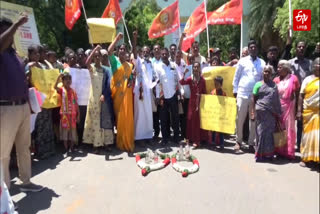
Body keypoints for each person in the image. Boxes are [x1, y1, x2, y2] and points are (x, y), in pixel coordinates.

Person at [0, 16, 44, 192]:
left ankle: (25, 182)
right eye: (6, 30)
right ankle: (4, 194)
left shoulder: (14, 54)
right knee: (3, 153)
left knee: (24, 148)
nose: (11, 35)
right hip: (6, 108)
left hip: (23, 107)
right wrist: (17, 24)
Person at [232, 40, 266, 153]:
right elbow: (236, 77)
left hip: (255, 96)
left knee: (253, 119)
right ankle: (239, 141)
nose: (253, 49)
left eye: (254, 47)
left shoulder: (262, 63)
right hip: (242, 93)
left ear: (257, 49)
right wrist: (235, 92)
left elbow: (263, 79)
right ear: (248, 49)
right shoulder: (242, 61)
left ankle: (251, 143)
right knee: (240, 119)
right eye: (251, 47)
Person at [83, 45, 114, 153]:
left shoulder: (106, 70)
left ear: (101, 58)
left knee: (105, 120)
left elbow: (108, 84)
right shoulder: (92, 68)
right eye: (95, 56)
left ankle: (107, 143)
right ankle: (97, 144)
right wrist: (95, 49)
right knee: (96, 121)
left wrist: (104, 95)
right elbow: (86, 62)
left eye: (98, 56)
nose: (97, 58)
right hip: (94, 100)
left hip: (104, 98)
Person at [108, 33, 135, 152]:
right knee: (119, 119)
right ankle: (120, 141)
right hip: (118, 96)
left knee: (127, 118)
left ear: (127, 53)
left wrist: (131, 81)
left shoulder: (129, 65)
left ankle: (127, 140)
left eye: (124, 49)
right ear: (118, 52)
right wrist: (116, 39)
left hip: (127, 95)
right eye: (120, 49)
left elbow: (130, 79)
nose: (122, 51)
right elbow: (109, 51)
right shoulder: (114, 62)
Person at [251, 65, 282, 162]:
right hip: (260, 112)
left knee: (269, 134)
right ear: (262, 72)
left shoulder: (274, 85)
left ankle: (268, 154)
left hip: (271, 114)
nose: (267, 73)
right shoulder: (258, 84)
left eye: (269, 72)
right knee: (260, 133)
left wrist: (278, 113)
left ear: (271, 74)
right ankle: (259, 154)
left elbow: (276, 100)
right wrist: (252, 112)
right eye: (265, 71)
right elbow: (253, 99)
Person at [132, 32, 158, 143]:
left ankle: (148, 136)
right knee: (139, 114)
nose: (146, 53)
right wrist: (135, 39)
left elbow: (154, 78)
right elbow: (133, 50)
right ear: (141, 53)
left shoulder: (150, 63)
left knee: (148, 114)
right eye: (144, 51)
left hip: (148, 92)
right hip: (140, 91)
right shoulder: (138, 61)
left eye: (147, 51)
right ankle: (138, 137)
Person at [273, 60, 300, 160]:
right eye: (278, 67)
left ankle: (288, 151)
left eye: (280, 67)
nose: (278, 69)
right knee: (279, 129)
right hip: (278, 107)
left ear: (286, 68)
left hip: (289, 107)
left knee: (289, 129)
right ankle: (279, 150)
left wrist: (298, 110)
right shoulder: (276, 79)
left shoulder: (294, 79)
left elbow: (297, 93)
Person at [179, 62, 209, 148]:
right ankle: (191, 139)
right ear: (193, 69)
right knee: (191, 120)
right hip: (192, 102)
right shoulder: (190, 79)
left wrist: (202, 97)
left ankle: (198, 140)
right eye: (194, 67)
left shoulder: (203, 80)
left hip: (200, 102)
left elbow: (205, 92)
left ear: (199, 68)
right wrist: (184, 73)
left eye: (197, 67)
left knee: (198, 121)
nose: (196, 68)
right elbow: (181, 82)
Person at [289, 41, 312, 151]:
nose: (301, 48)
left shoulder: (310, 63)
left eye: (303, 47)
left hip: (306, 96)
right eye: (299, 47)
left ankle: (299, 144)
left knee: (301, 121)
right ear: (296, 48)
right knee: (290, 121)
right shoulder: (290, 63)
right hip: (292, 96)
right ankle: (289, 144)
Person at [297, 57, 319, 167]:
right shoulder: (307, 79)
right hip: (308, 113)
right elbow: (301, 96)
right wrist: (299, 111)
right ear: (313, 66)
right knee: (306, 136)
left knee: (318, 137)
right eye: (317, 64)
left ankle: (317, 159)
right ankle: (305, 158)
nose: (319, 66)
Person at [155, 48, 180, 144]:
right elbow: (157, 83)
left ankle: (176, 137)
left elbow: (178, 80)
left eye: (166, 54)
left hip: (173, 95)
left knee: (175, 117)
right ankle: (165, 138)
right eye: (163, 54)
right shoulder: (158, 67)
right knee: (163, 118)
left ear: (168, 54)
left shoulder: (173, 65)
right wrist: (157, 96)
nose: (164, 55)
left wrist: (180, 92)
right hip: (163, 96)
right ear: (161, 55)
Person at [54, 72, 80, 152]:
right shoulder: (62, 90)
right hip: (64, 115)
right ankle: (65, 148)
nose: (68, 81)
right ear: (63, 81)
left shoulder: (73, 91)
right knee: (65, 131)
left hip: (72, 115)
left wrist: (78, 114)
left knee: (72, 131)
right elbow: (55, 87)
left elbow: (75, 103)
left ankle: (71, 147)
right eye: (65, 79)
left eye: (69, 79)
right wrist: (59, 76)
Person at [211, 76, 227, 150]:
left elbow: (226, 104)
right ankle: (213, 142)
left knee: (221, 130)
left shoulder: (223, 93)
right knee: (213, 129)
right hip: (214, 113)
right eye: (215, 84)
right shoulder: (212, 92)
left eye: (217, 84)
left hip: (220, 114)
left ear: (221, 84)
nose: (216, 85)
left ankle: (221, 143)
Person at [151, 44, 162, 139]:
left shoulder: (165, 61)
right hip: (154, 91)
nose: (157, 50)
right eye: (155, 49)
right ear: (153, 51)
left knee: (163, 113)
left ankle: (165, 133)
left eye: (158, 49)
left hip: (163, 92)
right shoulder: (150, 62)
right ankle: (156, 133)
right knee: (155, 113)